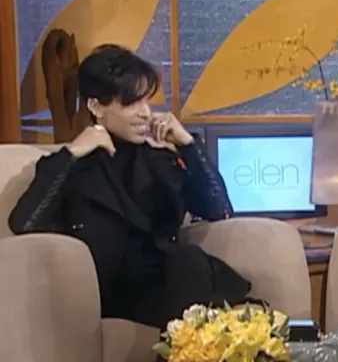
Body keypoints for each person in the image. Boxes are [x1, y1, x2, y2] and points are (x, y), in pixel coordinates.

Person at [9, 44, 251, 329]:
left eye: (146, 101)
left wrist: (188, 145)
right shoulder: (69, 167)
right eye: (131, 103)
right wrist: (72, 153)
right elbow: (24, 223)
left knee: (193, 265)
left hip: (169, 281)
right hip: (114, 293)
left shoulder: (159, 160)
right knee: (194, 272)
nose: (145, 113)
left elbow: (220, 211)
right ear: (95, 106)